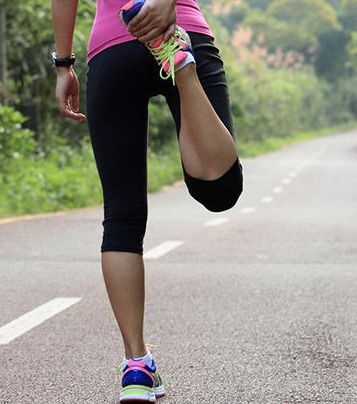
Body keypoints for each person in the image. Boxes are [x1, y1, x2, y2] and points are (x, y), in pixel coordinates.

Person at [51, 0, 243, 401]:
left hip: (111, 43)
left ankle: (136, 364)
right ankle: (182, 68)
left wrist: (64, 64)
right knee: (220, 191)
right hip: (180, 23)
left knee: (121, 218)